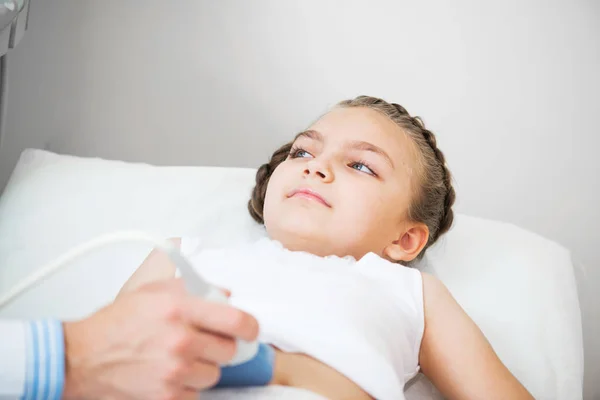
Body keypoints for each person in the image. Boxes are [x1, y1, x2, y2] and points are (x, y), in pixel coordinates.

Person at [119, 96, 535, 400]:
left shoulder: (413, 294)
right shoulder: (180, 257)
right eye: (303, 151)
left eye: (360, 166)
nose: (314, 166)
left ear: (405, 239)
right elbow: (90, 365)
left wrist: (280, 368)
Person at [0, 278, 259, 399]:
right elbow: (129, 323)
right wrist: (75, 359)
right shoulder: (184, 248)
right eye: (289, 163)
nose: (302, 166)